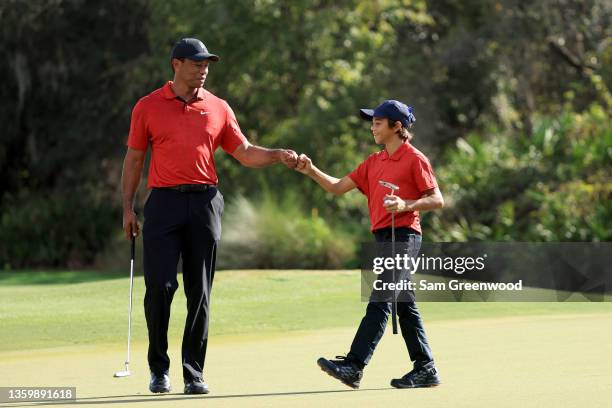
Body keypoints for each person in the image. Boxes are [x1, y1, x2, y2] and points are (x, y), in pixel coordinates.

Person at [121, 38, 298, 395]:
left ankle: (193, 373)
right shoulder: (148, 106)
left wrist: (277, 154)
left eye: (206, 65)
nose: (203, 70)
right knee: (159, 287)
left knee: (199, 291)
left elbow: (245, 152)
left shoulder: (218, 107)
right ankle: (159, 369)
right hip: (163, 203)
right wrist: (128, 206)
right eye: (196, 64)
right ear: (176, 64)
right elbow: (135, 159)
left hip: (204, 203)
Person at [295, 100, 444, 389]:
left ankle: (354, 365)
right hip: (383, 237)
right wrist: (311, 170)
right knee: (404, 305)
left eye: (377, 122)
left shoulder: (415, 159)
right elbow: (337, 187)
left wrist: (405, 204)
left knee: (381, 299)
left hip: (405, 235)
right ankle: (425, 367)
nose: (372, 127)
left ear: (396, 127)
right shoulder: (373, 162)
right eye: (372, 122)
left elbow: (437, 199)